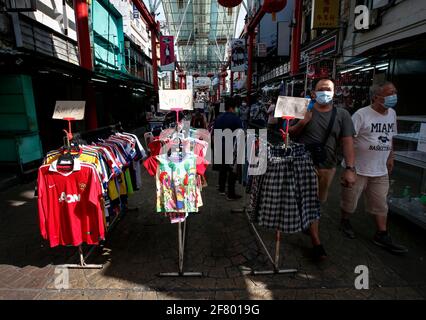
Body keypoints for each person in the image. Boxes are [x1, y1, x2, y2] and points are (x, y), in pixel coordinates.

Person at [289, 78, 357, 261]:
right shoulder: (303, 110)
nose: (324, 92)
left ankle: (308, 225)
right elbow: (289, 135)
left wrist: (350, 168)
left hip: (328, 166)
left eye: (328, 89)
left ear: (334, 93)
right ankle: (316, 242)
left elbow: (348, 142)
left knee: (318, 202)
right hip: (303, 164)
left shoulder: (342, 115)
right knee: (311, 202)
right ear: (313, 93)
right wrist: (302, 123)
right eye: (321, 89)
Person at [340, 82, 408, 254]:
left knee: (380, 203)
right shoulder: (361, 115)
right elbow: (347, 139)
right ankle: (345, 221)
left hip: (380, 169)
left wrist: (391, 156)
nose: (394, 96)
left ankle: (382, 234)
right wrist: (350, 167)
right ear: (376, 96)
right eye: (389, 93)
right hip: (358, 168)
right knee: (350, 201)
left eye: (395, 92)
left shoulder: (392, 113)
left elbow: (390, 136)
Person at [213, 97, 243, 201]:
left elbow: (214, 133)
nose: (236, 109)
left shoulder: (219, 117)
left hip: (219, 145)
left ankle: (221, 189)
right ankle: (230, 194)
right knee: (232, 171)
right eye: (236, 107)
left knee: (222, 168)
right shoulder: (236, 119)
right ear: (232, 107)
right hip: (231, 147)